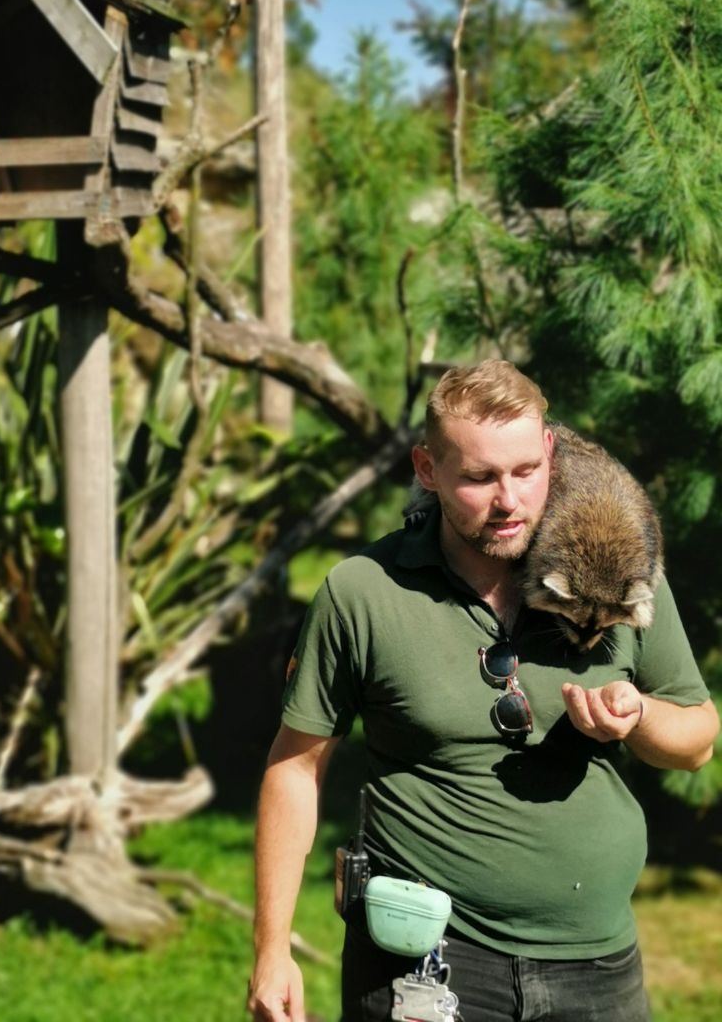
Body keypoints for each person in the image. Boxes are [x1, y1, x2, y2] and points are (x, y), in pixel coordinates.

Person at [247, 360, 719, 1022]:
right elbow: (294, 767)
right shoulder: (363, 592)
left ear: (550, 452)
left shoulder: (614, 570)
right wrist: (273, 947)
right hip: (422, 960)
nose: (509, 500)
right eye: (479, 477)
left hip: (596, 968)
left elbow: (697, 739)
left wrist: (637, 717)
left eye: (526, 471)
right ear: (427, 470)